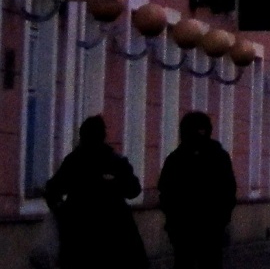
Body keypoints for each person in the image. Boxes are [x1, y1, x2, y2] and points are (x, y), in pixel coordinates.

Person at [45, 115, 146, 268]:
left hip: (80, 233)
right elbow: (133, 190)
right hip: (114, 232)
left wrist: (63, 213)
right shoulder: (113, 161)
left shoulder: (74, 161)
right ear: (103, 135)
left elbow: (52, 190)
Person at [159, 112, 237, 269]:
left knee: (185, 261)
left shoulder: (176, 158)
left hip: (187, 226)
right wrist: (222, 218)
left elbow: (165, 191)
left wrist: (172, 219)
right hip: (207, 225)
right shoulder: (218, 156)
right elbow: (228, 190)